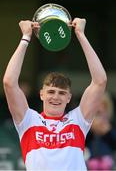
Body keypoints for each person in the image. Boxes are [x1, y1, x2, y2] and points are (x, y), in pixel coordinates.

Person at [3, 18, 107, 171]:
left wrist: (80, 34)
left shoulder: (77, 120)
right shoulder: (29, 120)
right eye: (51, 92)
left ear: (69, 98)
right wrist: (25, 37)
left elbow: (100, 81)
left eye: (62, 93)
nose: (56, 97)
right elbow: (9, 83)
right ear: (41, 94)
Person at [86, 92, 116, 170]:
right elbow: (83, 142)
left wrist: (108, 131)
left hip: (107, 159)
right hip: (91, 159)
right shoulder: (88, 125)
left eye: (103, 107)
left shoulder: (111, 125)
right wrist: (91, 129)